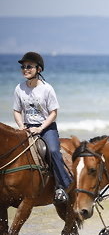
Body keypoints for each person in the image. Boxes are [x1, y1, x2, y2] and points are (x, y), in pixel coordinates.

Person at [13, 52, 72, 204]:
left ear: (38, 69)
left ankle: (62, 186)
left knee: (52, 151)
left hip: (47, 127)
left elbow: (54, 113)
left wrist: (40, 128)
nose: (25, 69)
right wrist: (21, 126)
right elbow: (16, 111)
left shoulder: (47, 89)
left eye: (29, 67)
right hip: (26, 127)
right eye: (23, 67)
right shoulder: (19, 88)